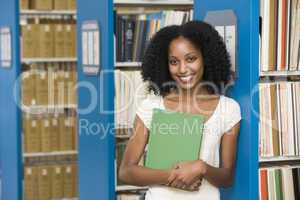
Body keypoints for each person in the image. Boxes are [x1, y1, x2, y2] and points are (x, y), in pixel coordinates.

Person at [118, 20, 241, 200]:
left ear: (205, 58)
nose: (183, 69)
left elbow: (227, 177)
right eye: (174, 62)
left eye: (191, 59)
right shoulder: (152, 106)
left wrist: (202, 167)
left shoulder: (228, 109)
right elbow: (126, 171)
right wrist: (172, 176)